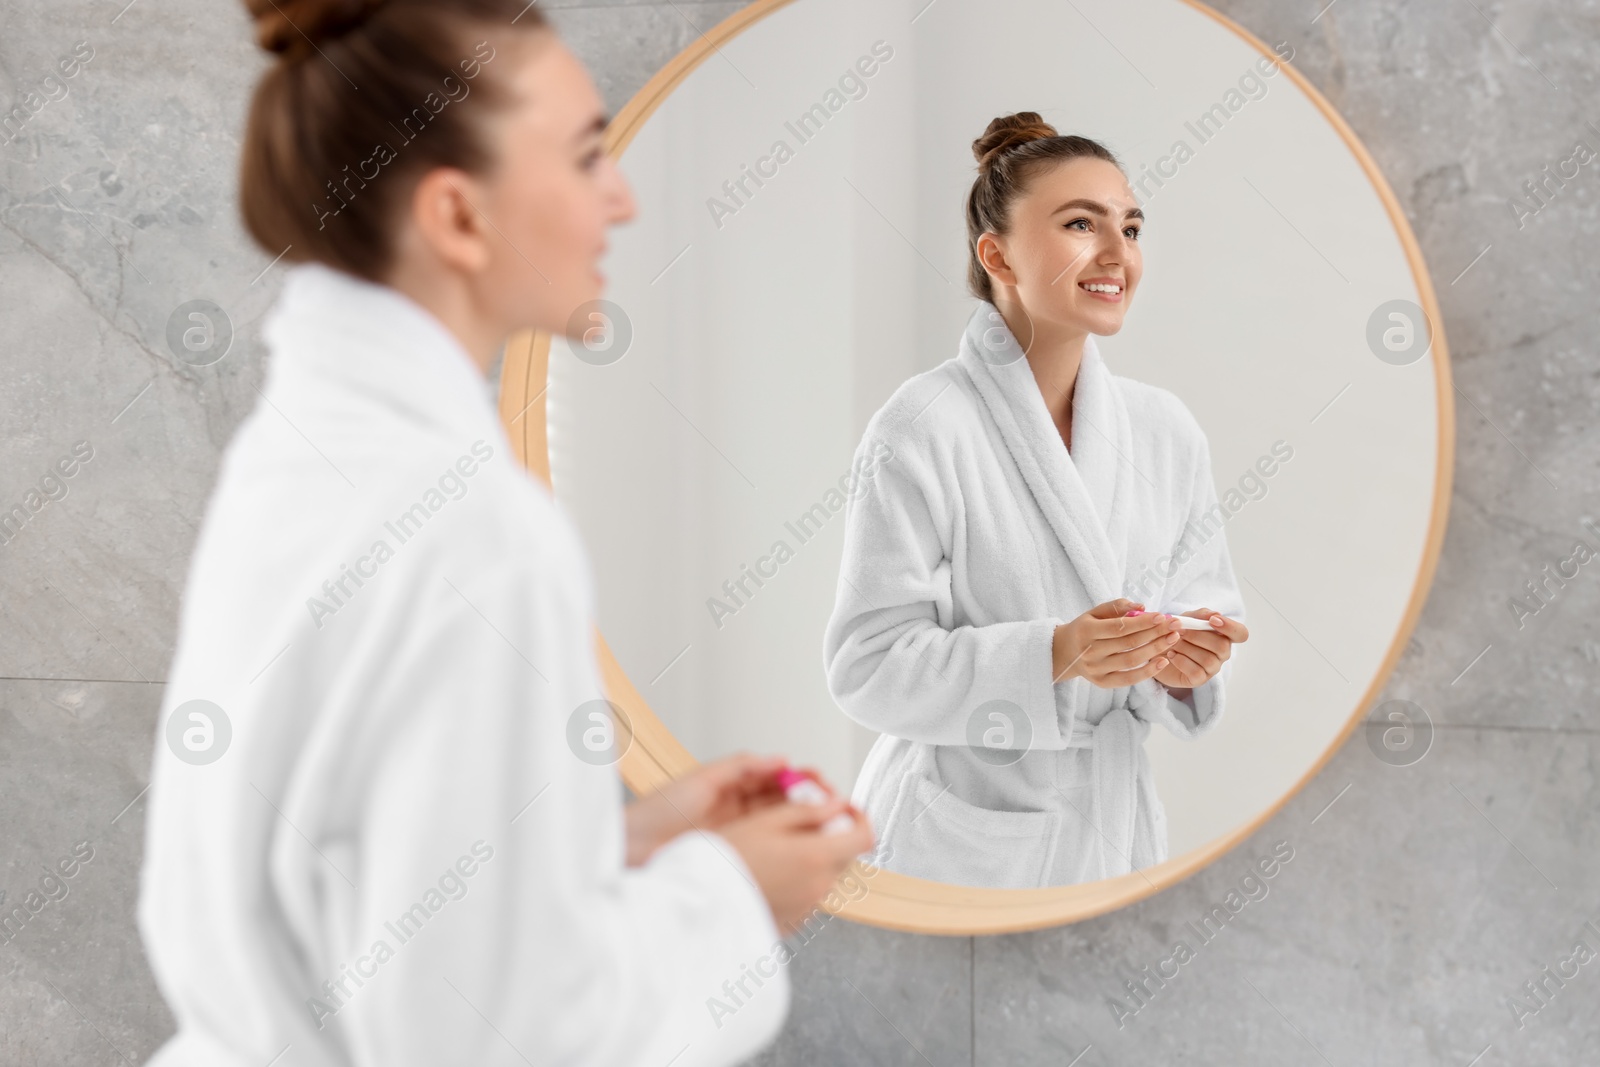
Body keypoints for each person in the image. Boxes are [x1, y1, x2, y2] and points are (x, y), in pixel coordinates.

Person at [136, 3, 874, 1065]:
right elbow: (498, 1035)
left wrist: (604, 850)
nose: (619, 198)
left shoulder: (296, 459)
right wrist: (729, 895)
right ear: (458, 217)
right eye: (585, 157)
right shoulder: (472, 531)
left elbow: (369, 914)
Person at [823, 112, 1249, 891]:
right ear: (997, 254)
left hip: (1117, 836)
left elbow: (1200, 606)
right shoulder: (923, 427)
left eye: (1131, 225)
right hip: (962, 835)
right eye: (1081, 224)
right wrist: (1056, 653)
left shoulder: (1164, 431)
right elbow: (868, 665)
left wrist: (1184, 664)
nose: (1118, 254)